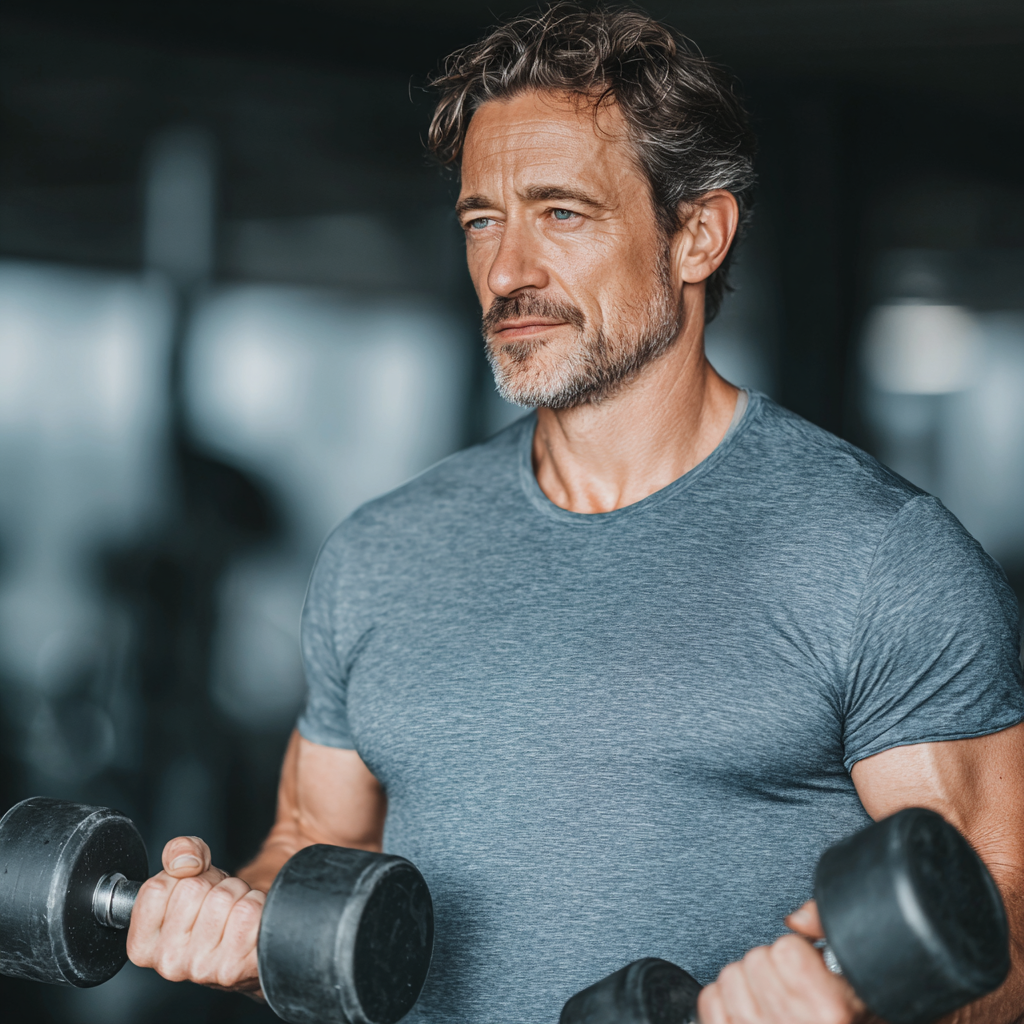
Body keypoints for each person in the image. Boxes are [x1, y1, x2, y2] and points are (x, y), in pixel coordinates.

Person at [126, 6, 1024, 1022]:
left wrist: (861, 1004)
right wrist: (235, 925)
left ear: (695, 233)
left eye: (560, 213)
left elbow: (1004, 935)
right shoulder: (383, 551)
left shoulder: (877, 558)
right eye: (481, 219)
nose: (507, 271)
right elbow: (311, 851)